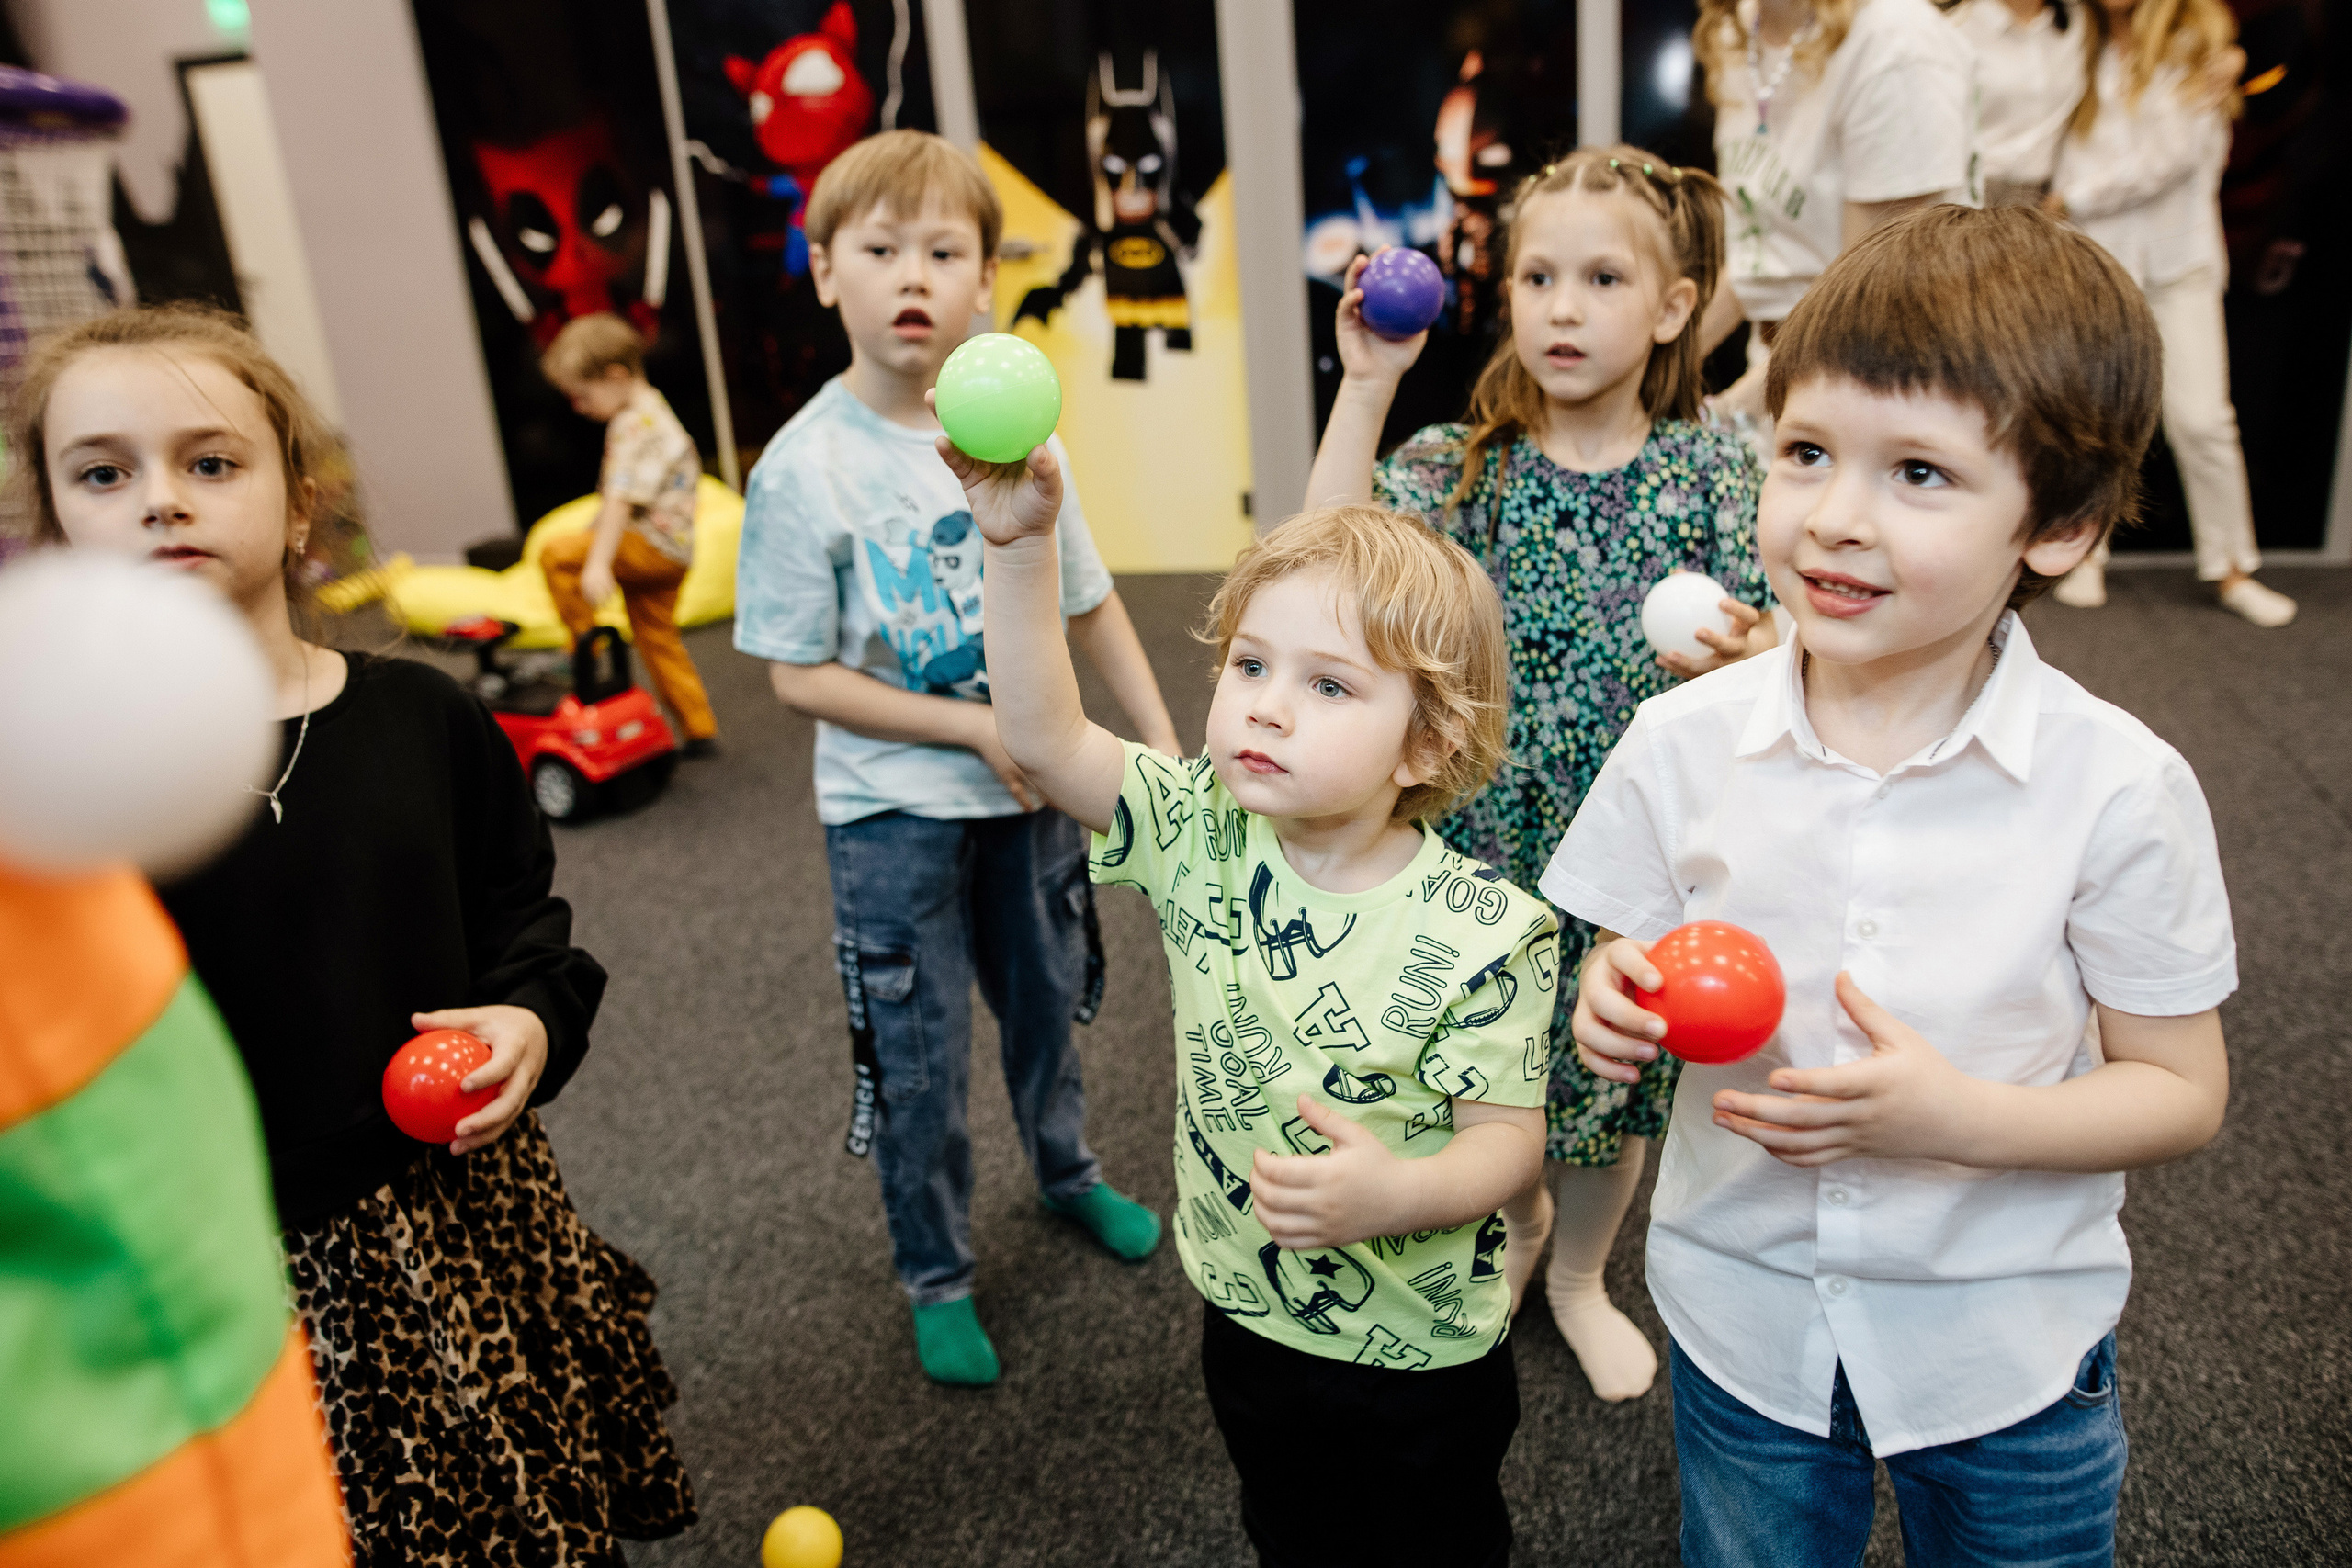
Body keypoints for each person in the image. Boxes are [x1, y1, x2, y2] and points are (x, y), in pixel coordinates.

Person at [1552, 205, 2233, 1564]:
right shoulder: (1678, 740)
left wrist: (1953, 1115)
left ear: (2062, 526)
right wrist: (1610, 995)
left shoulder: (2116, 784)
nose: (1836, 517)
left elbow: (2182, 1089)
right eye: (1807, 452)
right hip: (1744, 1321)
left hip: (2004, 1345)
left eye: (1919, 471)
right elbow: (1621, 946)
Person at [14, 303, 695, 1565]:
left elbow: (524, 921)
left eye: (210, 461)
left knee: (527, 1495)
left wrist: (531, 1022)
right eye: (104, 472)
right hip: (243, 1273)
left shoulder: (419, 720)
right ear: (54, 535)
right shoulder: (53, 807)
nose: (161, 499)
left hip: (465, 1217)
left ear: (299, 507)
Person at [962, 477, 1558, 1567]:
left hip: (1422, 1349)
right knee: (1288, 1524)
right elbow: (1046, 746)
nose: (1264, 705)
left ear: (1423, 747)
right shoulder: (1202, 832)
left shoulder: (1489, 932)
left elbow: (1511, 1141)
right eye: (1249, 665)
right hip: (1245, 1303)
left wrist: (1399, 1194)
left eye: (1328, 685)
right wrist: (1019, 549)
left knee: (1435, 1544)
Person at [1305, 147, 1774, 1404]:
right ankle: (1514, 1235)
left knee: (1614, 1084)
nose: (1563, 306)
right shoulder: (1469, 465)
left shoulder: (1719, 474)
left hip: (1643, 861)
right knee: (1490, 1069)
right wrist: (1364, 390)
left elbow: (1799, 643)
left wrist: (1769, 647)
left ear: (1674, 307)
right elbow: (1323, 559)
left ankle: (1579, 1273)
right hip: (1486, 848)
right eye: (1538, 275)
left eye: (1604, 277)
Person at [734, 130, 1182, 1388]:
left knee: (1048, 1004)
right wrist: (979, 724)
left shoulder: (1025, 431)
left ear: (986, 277)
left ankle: (1067, 1171)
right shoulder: (799, 468)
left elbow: (1087, 598)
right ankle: (935, 1268)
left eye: (944, 248)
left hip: (1028, 803)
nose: (912, 274)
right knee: (916, 1055)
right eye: (879, 250)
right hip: (891, 817)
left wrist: (1159, 741)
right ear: (826, 271)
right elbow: (795, 673)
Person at [2046, 0, 2296, 626]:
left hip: (2179, 265)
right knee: (2094, 419)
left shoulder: (2199, 49)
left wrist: (2069, 199)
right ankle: (2086, 553)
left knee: (2203, 420)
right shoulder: (2074, 40)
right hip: (2097, 266)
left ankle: (2232, 567)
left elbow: (2172, 157)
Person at [1690, 0, 1978, 427]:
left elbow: (1871, 296)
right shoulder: (1742, 29)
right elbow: (1758, 245)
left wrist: (1727, 416)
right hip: (1781, 366)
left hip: (1883, 385)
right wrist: (1655, 373)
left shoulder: (1894, 42)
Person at [538, 311, 721, 753]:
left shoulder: (634, 423)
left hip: (649, 548)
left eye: (582, 396)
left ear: (616, 376)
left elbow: (621, 499)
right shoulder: (655, 409)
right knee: (658, 641)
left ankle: (583, 648)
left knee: (555, 554)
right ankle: (699, 728)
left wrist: (598, 561)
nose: (579, 408)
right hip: (675, 555)